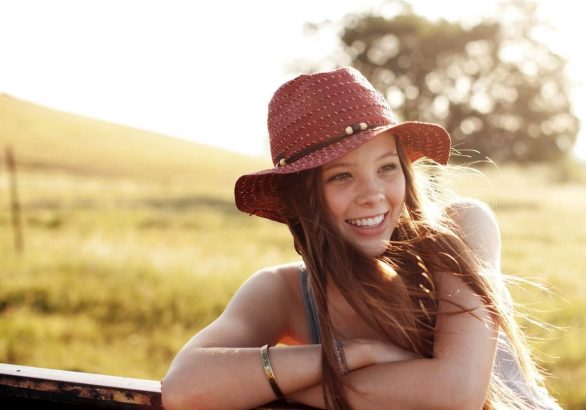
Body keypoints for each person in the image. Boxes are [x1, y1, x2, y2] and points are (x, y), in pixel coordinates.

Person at [161, 66, 560, 409]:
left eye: (387, 168)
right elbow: (183, 388)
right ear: (302, 198)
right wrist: (351, 355)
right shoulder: (283, 291)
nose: (373, 195)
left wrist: (283, 387)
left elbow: (456, 394)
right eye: (341, 176)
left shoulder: (462, 227)